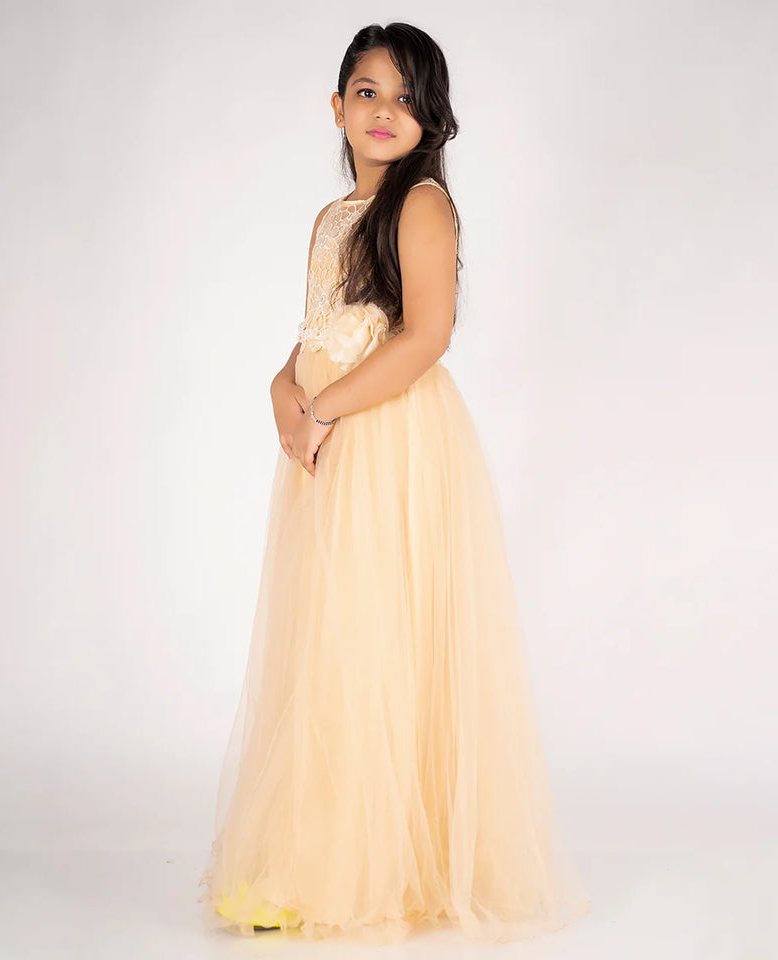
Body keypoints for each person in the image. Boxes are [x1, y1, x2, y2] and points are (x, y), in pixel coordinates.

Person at [197, 20, 592, 946]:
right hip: (331, 445)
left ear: (432, 122)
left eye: (408, 96)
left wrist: (326, 410)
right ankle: (321, 848)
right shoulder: (333, 218)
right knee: (329, 643)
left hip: (391, 442)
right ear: (337, 107)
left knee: (379, 635)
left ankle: (377, 864)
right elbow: (315, 330)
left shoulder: (421, 207)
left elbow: (425, 337)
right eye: (368, 92)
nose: (386, 111)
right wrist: (282, 394)